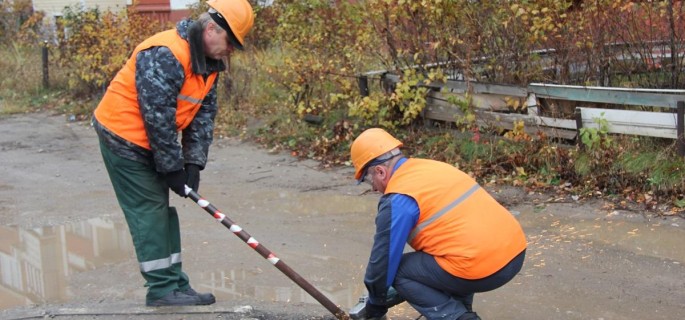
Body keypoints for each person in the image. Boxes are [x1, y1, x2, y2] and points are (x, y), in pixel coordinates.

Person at [92, 0, 254, 307]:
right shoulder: (166, 53)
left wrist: (193, 163)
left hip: (151, 141)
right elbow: (158, 116)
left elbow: (203, 113)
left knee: (164, 213)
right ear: (211, 28)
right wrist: (170, 167)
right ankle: (162, 290)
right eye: (230, 42)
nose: (231, 50)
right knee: (150, 210)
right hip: (123, 137)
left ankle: (176, 283)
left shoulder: (209, 64)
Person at [350, 128, 527, 320]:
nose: (374, 188)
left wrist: (376, 306)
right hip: (514, 250)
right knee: (445, 253)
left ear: (380, 171)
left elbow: (382, 264)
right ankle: (460, 309)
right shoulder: (431, 167)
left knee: (399, 271)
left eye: (370, 181)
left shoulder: (398, 199)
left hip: (484, 267)